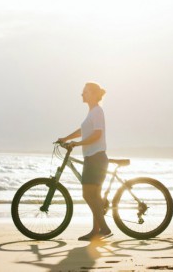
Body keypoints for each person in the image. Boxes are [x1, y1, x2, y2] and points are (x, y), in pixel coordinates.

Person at [57, 82, 112, 241]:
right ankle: (96, 230)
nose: (82, 94)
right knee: (95, 196)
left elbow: (97, 134)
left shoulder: (97, 111)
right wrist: (66, 138)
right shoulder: (92, 112)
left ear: (94, 94)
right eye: (83, 92)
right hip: (94, 157)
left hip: (95, 158)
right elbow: (84, 131)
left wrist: (78, 144)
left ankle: (105, 228)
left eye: (86, 92)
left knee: (88, 194)